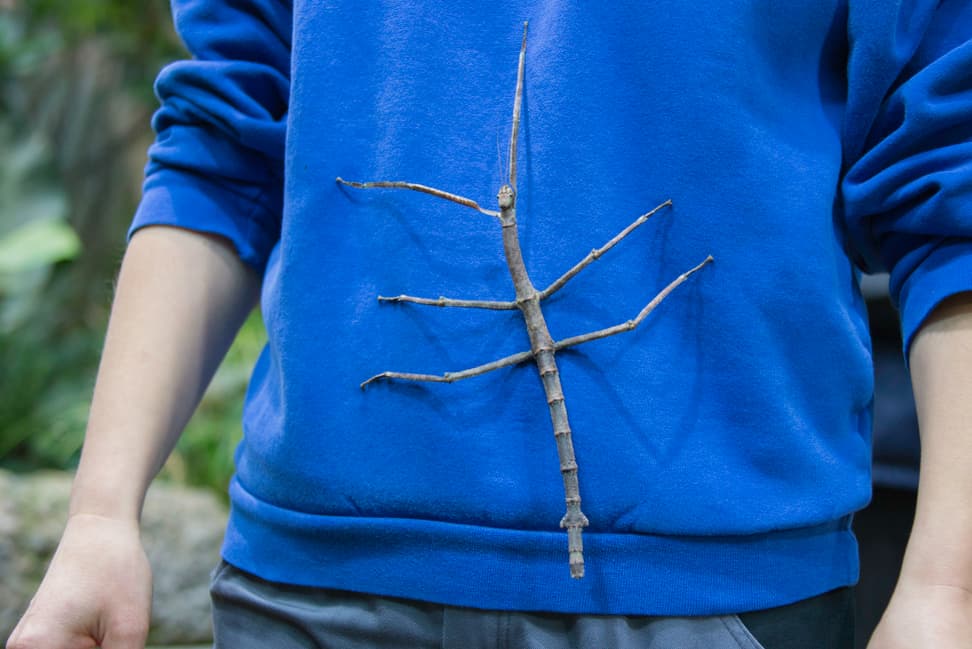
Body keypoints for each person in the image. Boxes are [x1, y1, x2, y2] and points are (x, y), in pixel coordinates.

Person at [7, 2, 972, 647]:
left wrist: (946, 585)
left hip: (714, 595)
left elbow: (949, 182)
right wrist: (100, 512)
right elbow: (227, 134)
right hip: (313, 586)